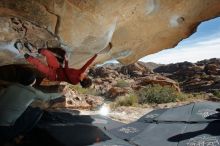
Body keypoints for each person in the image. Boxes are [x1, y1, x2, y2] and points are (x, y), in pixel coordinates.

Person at [0, 69, 63, 141]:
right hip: (4, 130)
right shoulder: (33, 92)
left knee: (27, 108)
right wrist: (61, 93)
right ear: (33, 81)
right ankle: (20, 135)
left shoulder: (11, 86)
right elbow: (48, 97)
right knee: (37, 111)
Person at [24, 43, 112, 88]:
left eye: (85, 77)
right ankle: (35, 50)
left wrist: (66, 60)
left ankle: (27, 56)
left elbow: (67, 71)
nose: (85, 74)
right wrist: (96, 55)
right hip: (57, 68)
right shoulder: (81, 72)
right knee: (48, 54)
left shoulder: (74, 81)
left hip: (53, 75)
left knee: (40, 65)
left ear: (82, 79)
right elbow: (88, 64)